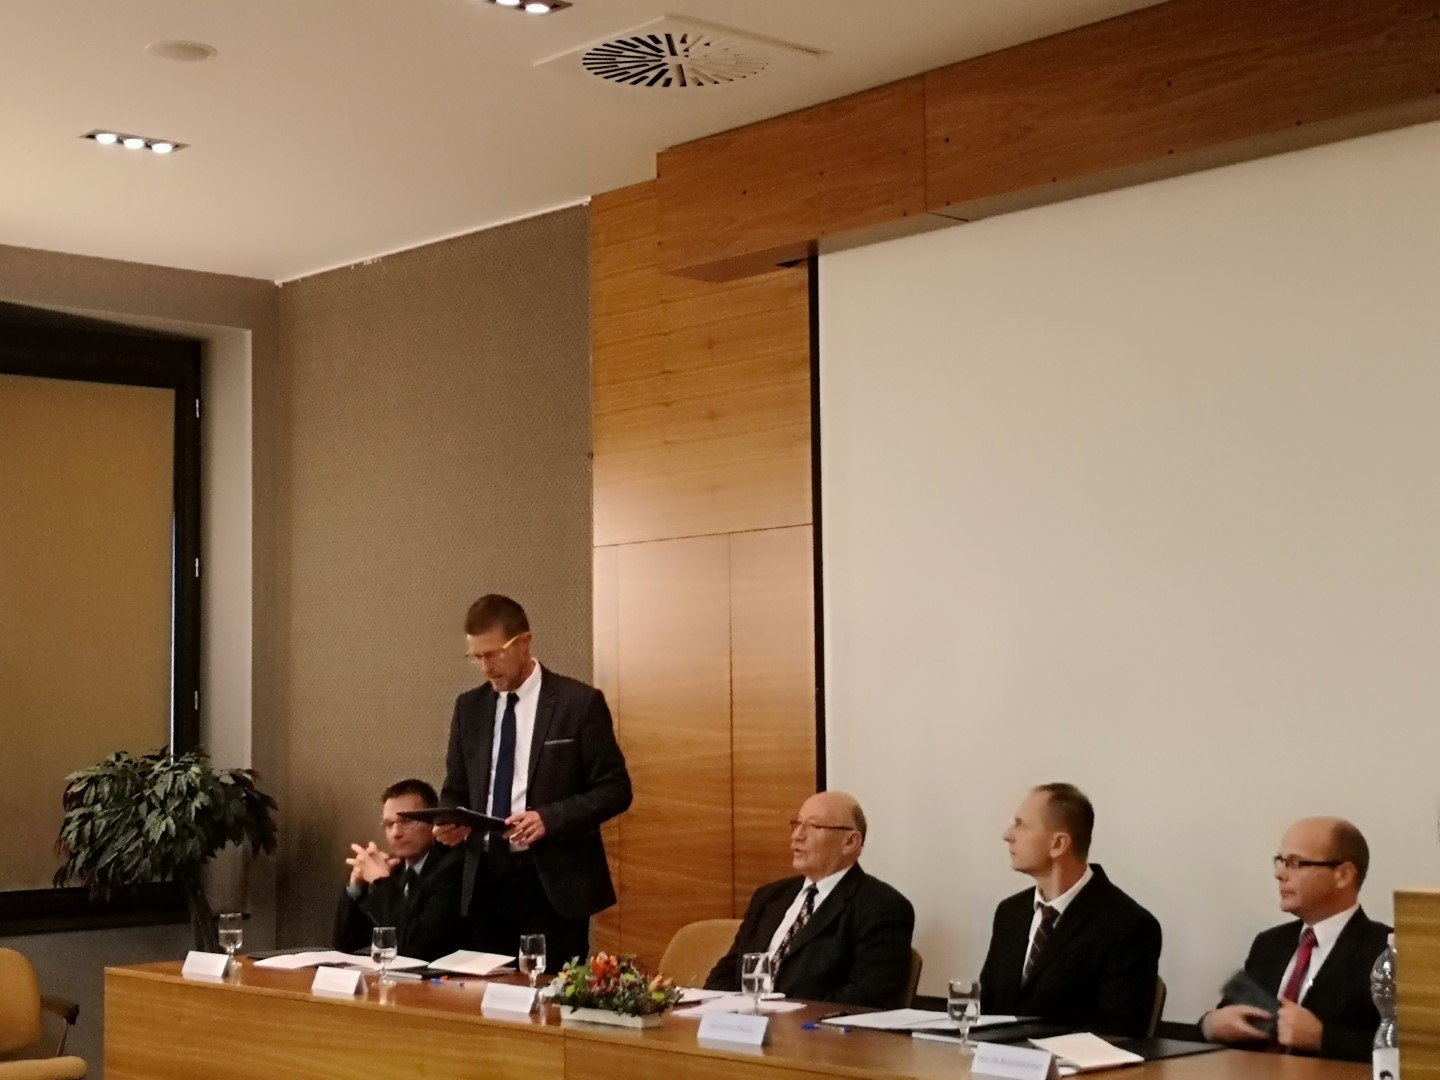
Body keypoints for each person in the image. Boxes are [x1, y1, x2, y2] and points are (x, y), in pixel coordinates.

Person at [435, 594, 632, 969]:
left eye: (493, 654)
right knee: (487, 994)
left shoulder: (578, 703)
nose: (485, 667)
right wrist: (449, 821)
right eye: (476, 657)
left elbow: (615, 789)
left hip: (552, 882)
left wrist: (549, 818)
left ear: (525, 642)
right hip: (485, 881)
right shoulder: (469, 708)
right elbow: (457, 787)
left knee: (549, 993)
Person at [1200, 817, 1390, 1061]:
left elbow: (1410, 1052)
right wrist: (1210, 1025)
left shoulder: (1385, 952)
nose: (1280, 874)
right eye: (1280, 862)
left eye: (1296, 863)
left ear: (1343, 875)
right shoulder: (1269, 944)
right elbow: (1229, 1015)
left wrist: (1323, 1038)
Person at [979, 783, 1162, 1036]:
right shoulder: (1010, 913)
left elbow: (1118, 1034)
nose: (1008, 835)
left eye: (1021, 825)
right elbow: (988, 1009)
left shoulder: (1129, 926)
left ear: (1058, 844)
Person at [705, 790, 915, 1008]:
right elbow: (729, 969)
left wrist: (785, 1014)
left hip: (811, 1027)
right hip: (743, 1021)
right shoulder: (768, 897)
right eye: (797, 824)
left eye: (813, 826)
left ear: (850, 842)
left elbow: (868, 996)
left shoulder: (882, 907)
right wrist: (719, 1009)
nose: (797, 835)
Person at [333, 778, 465, 961]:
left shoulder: (452, 869)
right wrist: (357, 887)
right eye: (389, 824)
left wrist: (380, 882)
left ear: (433, 823)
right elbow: (345, 944)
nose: (396, 833)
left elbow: (414, 949)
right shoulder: (394, 870)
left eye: (407, 821)